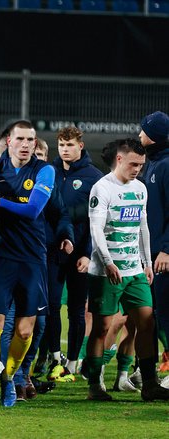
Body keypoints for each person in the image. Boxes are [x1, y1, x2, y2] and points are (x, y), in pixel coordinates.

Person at [85, 138, 169, 401]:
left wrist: (146, 263)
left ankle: (150, 384)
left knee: (147, 322)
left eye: (141, 165)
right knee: (102, 327)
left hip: (134, 271)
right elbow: (96, 230)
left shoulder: (141, 188)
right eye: (134, 164)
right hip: (106, 271)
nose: (138, 169)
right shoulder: (102, 188)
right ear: (119, 159)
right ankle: (95, 386)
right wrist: (108, 262)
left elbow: (142, 227)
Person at [0, 120, 55, 408]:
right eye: (20, 139)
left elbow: (34, 210)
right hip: (2, 256)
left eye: (30, 140)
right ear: (8, 141)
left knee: (25, 330)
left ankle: (9, 377)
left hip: (33, 258)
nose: (26, 144)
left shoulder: (43, 170)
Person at [43, 127, 103, 382]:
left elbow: (96, 221)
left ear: (80, 146)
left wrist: (88, 253)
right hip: (53, 251)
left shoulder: (94, 177)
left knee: (77, 309)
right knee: (51, 305)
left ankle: (73, 360)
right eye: (61, 145)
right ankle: (55, 357)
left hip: (79, 254)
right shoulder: (49, 172)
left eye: (69, 145)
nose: (65, 149)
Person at [138, 111, 169, 374]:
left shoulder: (167, 165)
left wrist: (167, 250)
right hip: (152, 255)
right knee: (154, 315)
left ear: (154, 135)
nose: (139, 135)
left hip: (164, 256)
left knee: (166, 316)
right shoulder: (153, 163)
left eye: (144, 130)